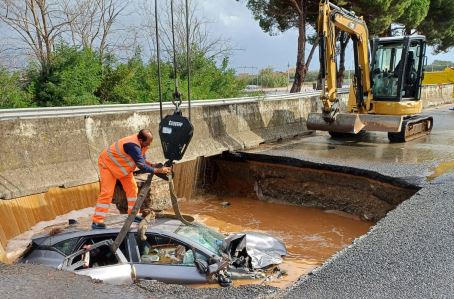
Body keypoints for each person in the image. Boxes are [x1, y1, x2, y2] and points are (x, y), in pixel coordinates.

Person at [91, 129, 171, 229]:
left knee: (132, 189)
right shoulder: (132, 145)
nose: (149, 145)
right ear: (141, 140)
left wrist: (152, 164)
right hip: (108, 166)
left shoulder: (141, 144)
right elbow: (141, 166)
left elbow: (142, 159)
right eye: (148, 142)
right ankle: (97, 221)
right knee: (107, 193)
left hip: (122, 168)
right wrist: (159, 170)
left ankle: (133, 215)